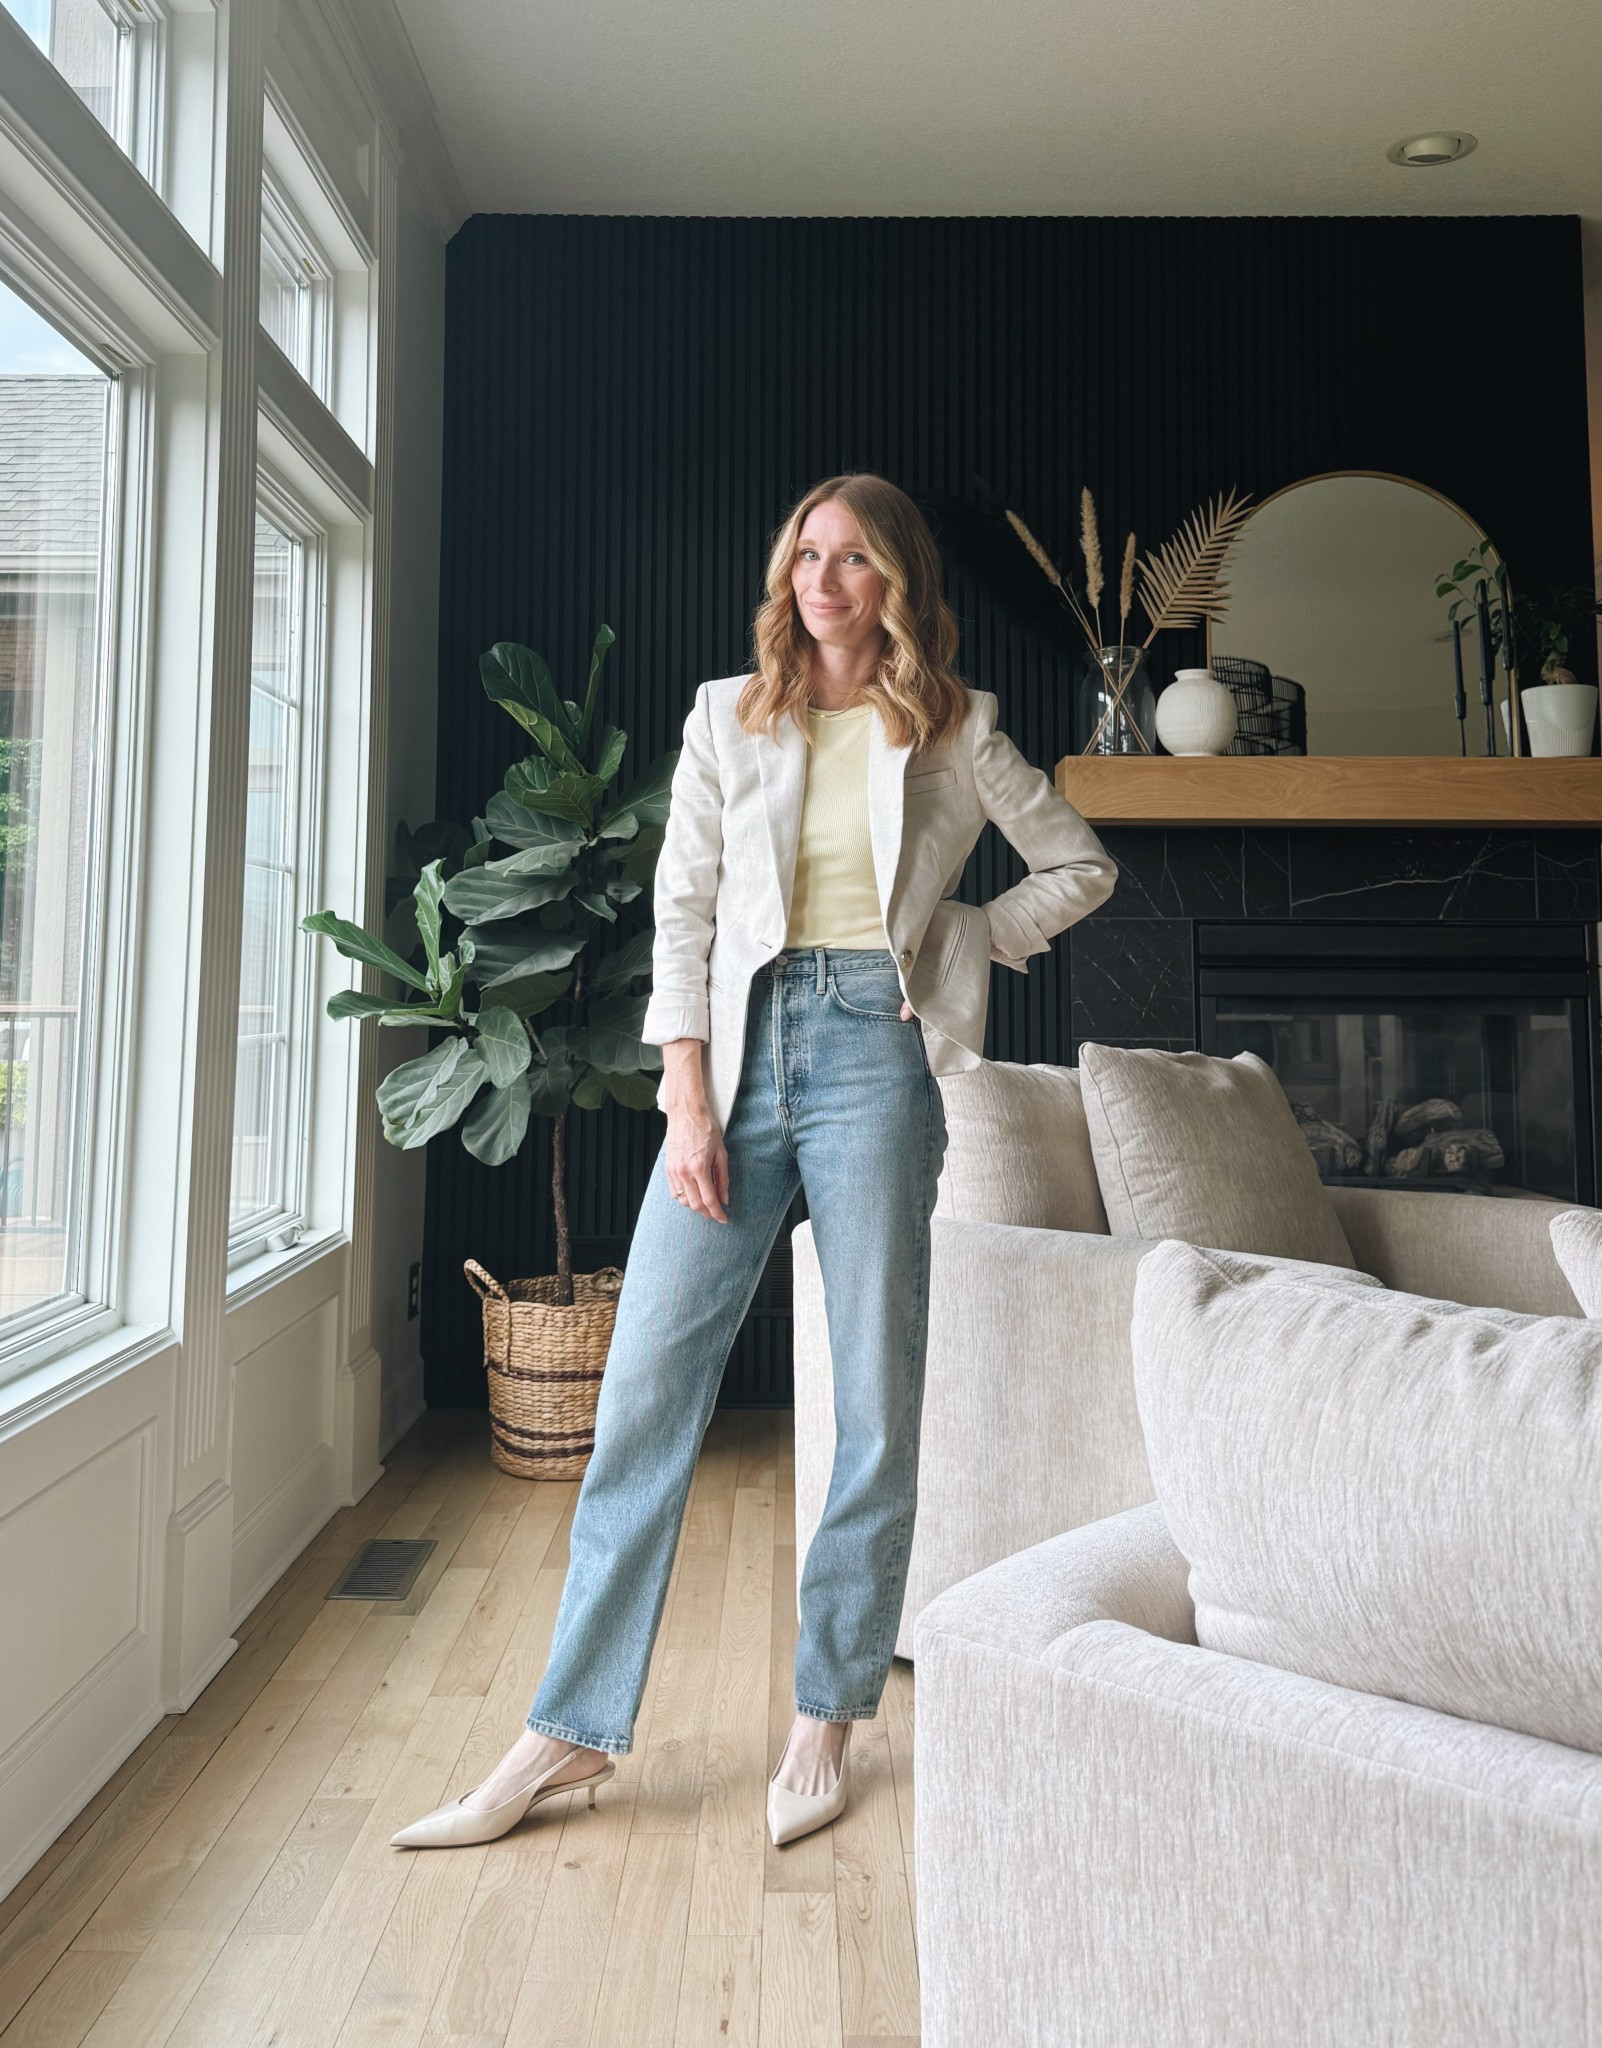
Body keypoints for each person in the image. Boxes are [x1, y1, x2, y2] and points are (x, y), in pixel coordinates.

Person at [391, 472, 1118, 1853]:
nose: (822, 581)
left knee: (875, 1405)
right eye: (805, 556)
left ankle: (825, 1717)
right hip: (735, 1060)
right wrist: (685, 1097)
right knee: (646, 1397)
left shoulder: (959, 732)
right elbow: (683, 906)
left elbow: (1076, 869)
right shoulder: (733, 714)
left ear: (895, 584)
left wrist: (965, 940)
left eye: (851, 560)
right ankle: (564, 1733)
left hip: (875, 1060)